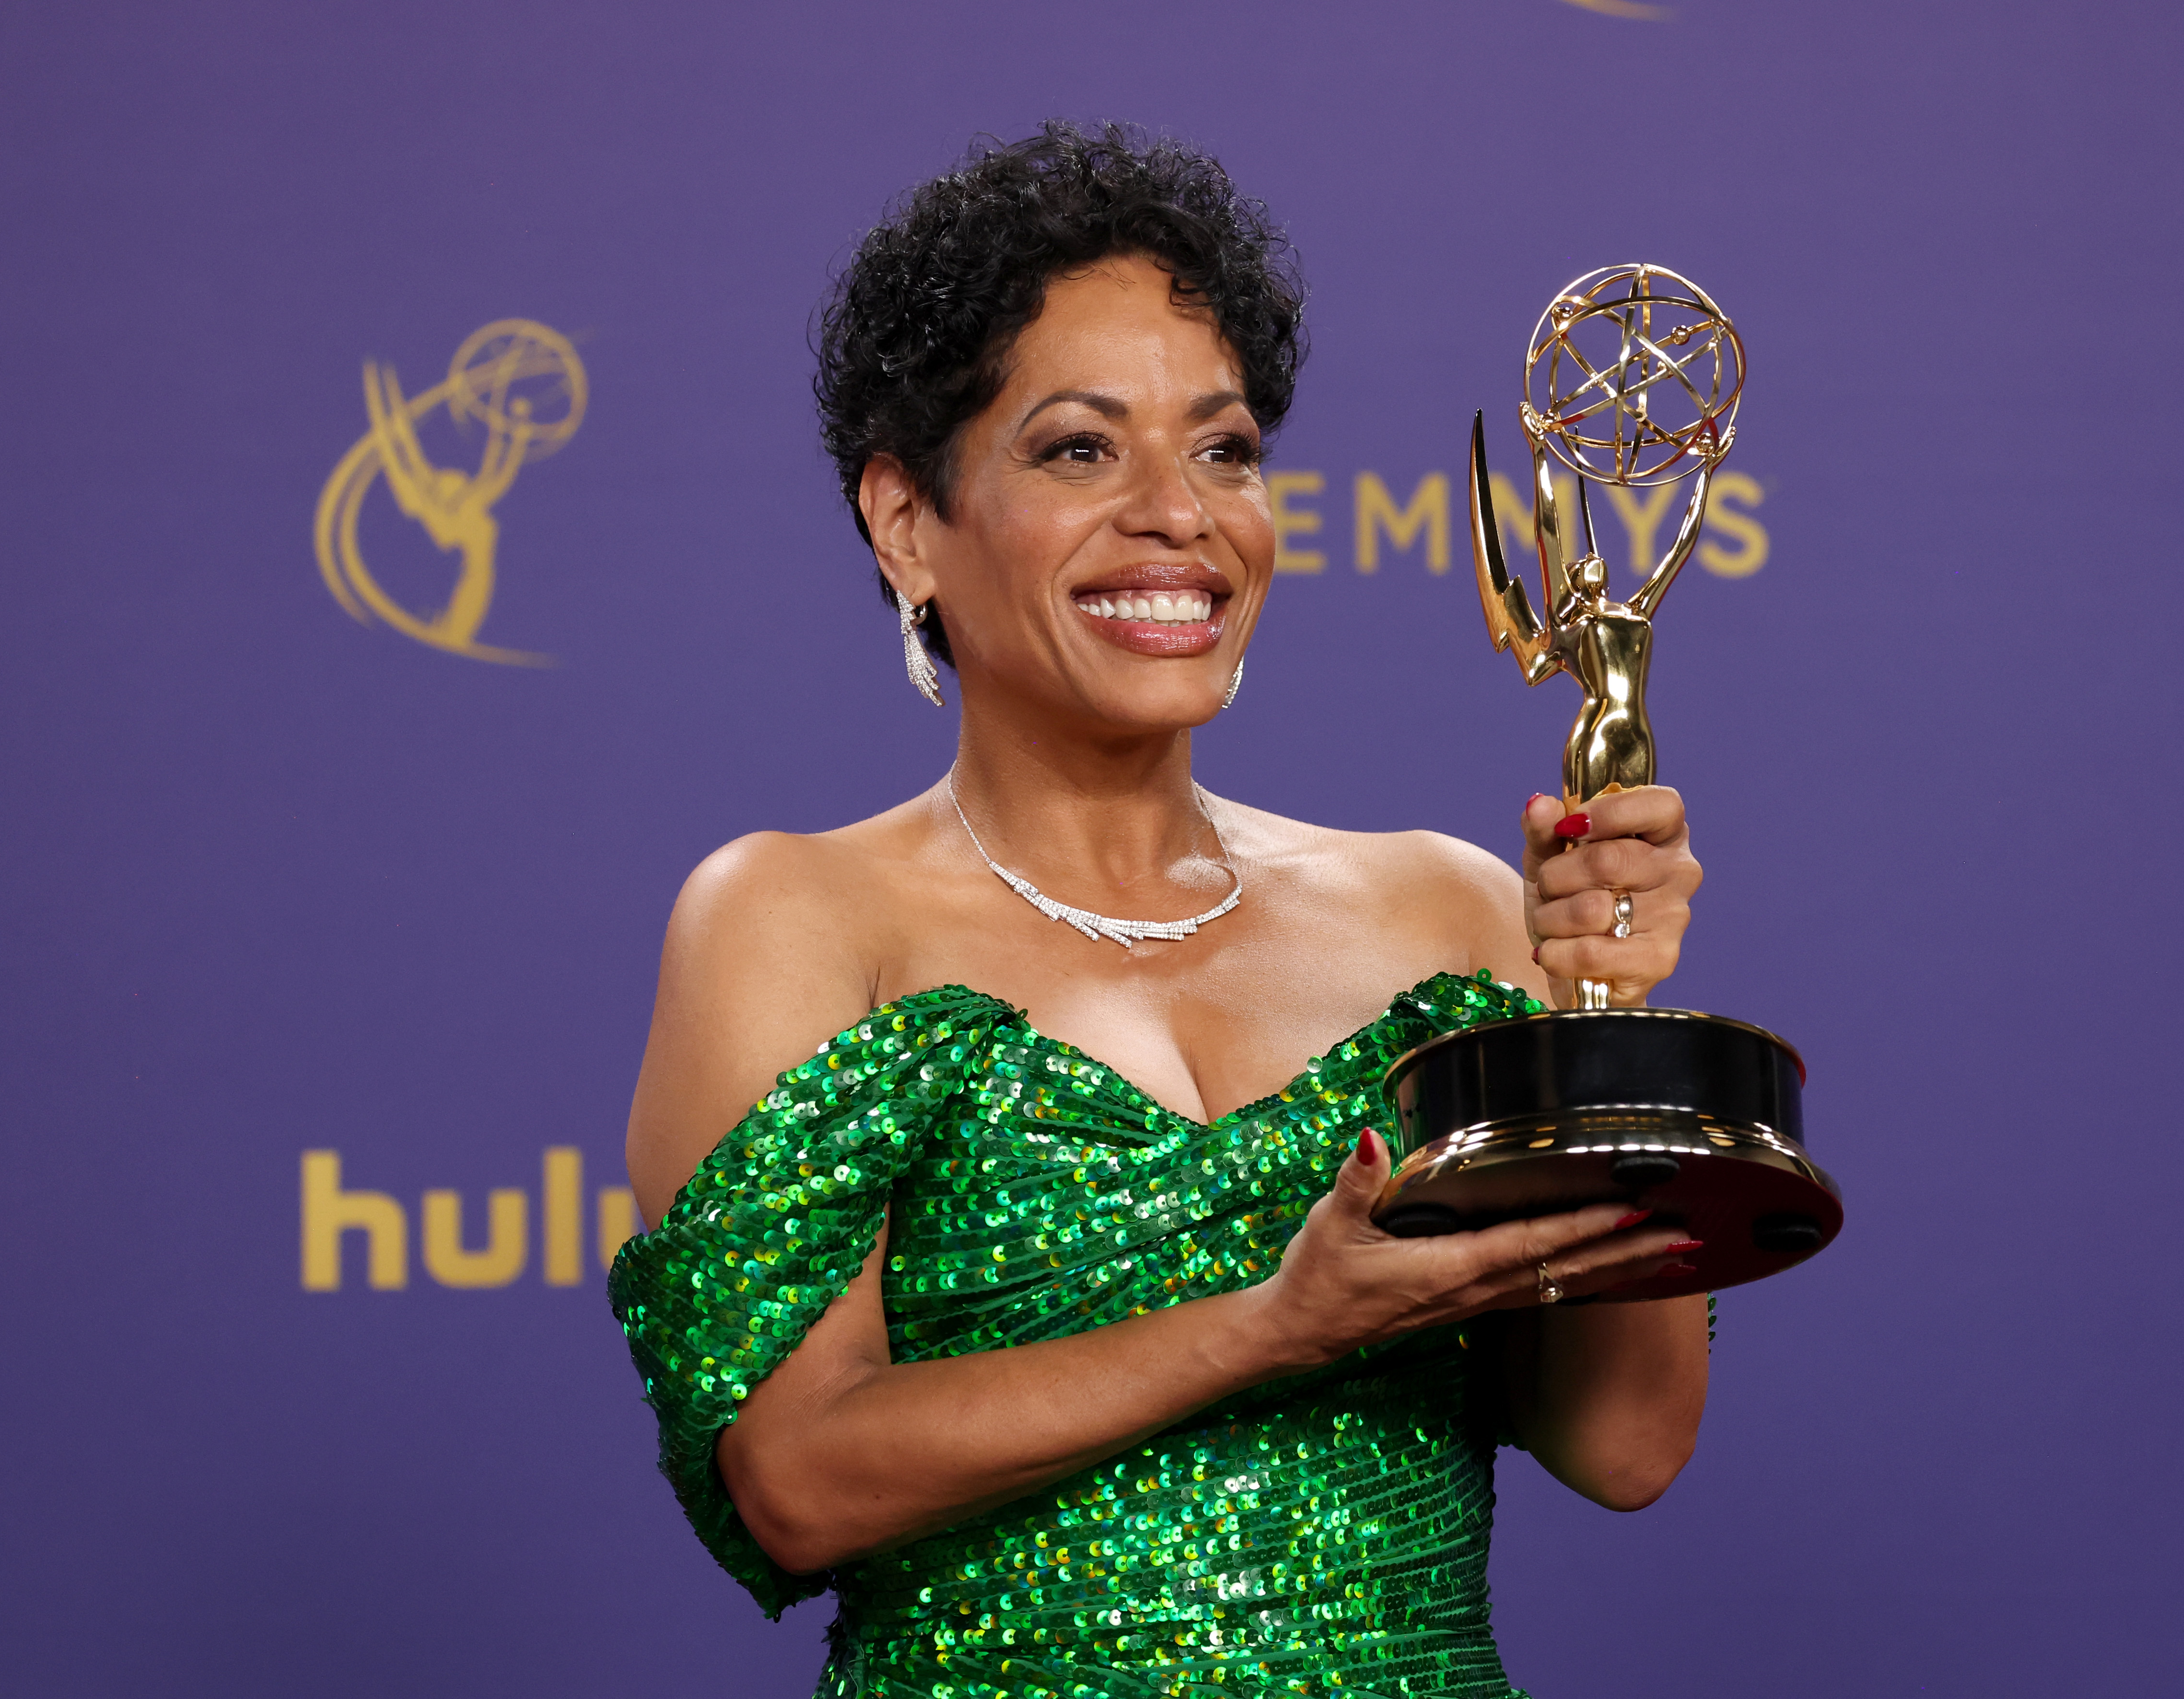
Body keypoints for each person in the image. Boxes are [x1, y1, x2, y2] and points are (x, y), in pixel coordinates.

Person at [612, 122, 1710, 1699]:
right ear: (906, 521)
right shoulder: (792, 913)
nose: (1177, 513)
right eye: (1078, 448)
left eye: (1224, 449)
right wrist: (1274, 1322)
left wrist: (1612, 1019)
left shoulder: (1451, 907)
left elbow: (1623, 1443)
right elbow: (796, 1484)